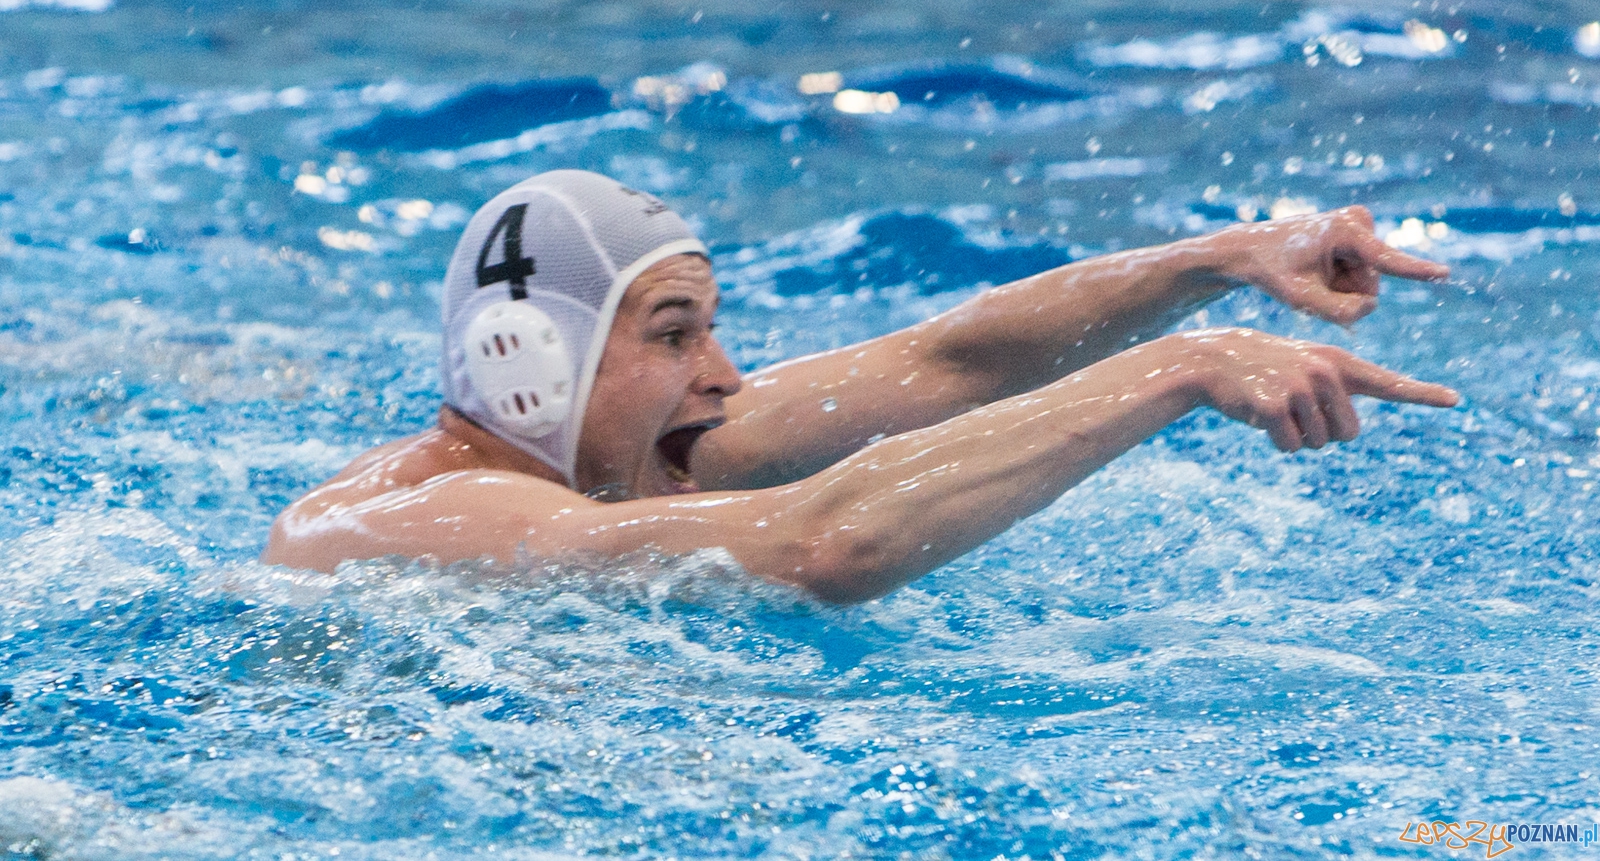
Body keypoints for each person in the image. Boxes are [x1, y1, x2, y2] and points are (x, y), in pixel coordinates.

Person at [263, 169, 1458, 602]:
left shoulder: (622, 458)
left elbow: (947, 364)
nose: (723, 377)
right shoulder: (411, 523)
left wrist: (1222, 258)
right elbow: (822, 545)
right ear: (529, 361)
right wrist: (1183, 369)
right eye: (676, 335)